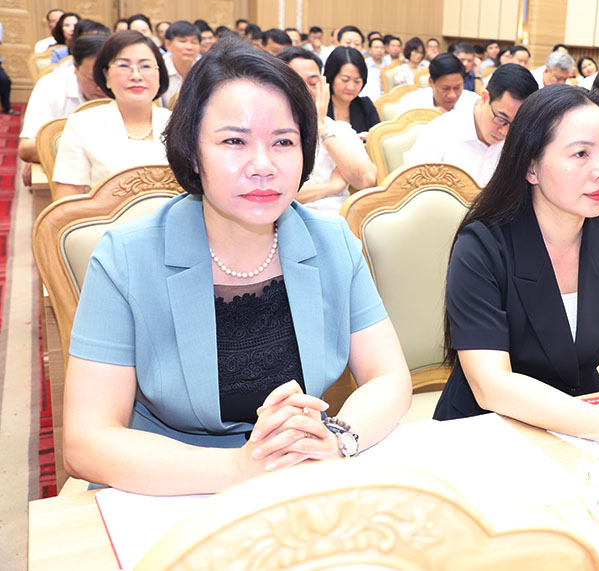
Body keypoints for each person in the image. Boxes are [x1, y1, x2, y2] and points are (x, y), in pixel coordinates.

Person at [62, 40, 412, 495]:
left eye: (283, 142)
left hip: (302, 477)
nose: (263, 166)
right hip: (167, 488)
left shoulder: (332, 242)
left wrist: (338, 439)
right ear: (192, 151)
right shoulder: (126, 258)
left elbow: (390, 377)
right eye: (234, 141)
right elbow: (86, 442)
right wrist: (241, 468)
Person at [432, 85, 599, 469]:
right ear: (531, 167)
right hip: (488, 432)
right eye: (581, 154)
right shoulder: (482, 245)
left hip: (583, 423)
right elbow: (492, 385)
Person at [52, 30, 172, 199]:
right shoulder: (82, 125)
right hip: (104, 217)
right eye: (123, 66)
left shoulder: (179, 125)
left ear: (160, 74)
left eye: (145, 66)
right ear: (106, 75)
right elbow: (67, 201)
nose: (136, 76)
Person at [279, 46, 376, 215]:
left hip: (341, 220)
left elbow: (366, 179)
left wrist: (321, 129)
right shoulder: (267, 133)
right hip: (288, 219)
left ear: (324, 86)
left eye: (313, 83)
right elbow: (276, 194)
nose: (306, 90)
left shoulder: (339, 129)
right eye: (297, 82)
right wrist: (331, 187)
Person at [404, 63, 538, 185]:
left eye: (515, 126)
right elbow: (413, 190)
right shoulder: (438, 132)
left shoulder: (521, 142)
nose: (505, 132)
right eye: (501, 119)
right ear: (485, 98)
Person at [19, 32, 109, 168]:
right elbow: (26, 149)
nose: (101, 87)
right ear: (75, 66)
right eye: (93, 79)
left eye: (107, 78)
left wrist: (49, 151)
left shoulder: (127, 84)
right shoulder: (51, 85)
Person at [395, 53, 478, 115]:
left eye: (457, 88)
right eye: (445, 89)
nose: (452, 95)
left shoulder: (474, 103)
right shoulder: (412, 102)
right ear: (431, 82)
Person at [324, 46, 380, 133]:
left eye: (357, 81)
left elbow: (379, 136)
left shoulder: (365, 106)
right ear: (331, 77)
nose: (351, 87)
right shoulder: (319, 106)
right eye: (345, 80)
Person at [160, 21, 201, 108]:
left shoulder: (203, 69)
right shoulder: (159, 68)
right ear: (168, 44)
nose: (189, 47)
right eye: (182, 41)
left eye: (194, 42)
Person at [361, 36, 387, 100]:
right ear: (370, 49)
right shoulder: (364, 64)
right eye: (376, 47)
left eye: (382, 48)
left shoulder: (389, 65)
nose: (379, 50)